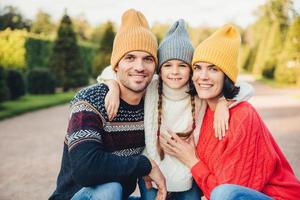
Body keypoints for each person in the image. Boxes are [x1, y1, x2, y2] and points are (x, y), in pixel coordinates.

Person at [100, 20, 254, 199]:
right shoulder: (151, 86)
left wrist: (222, 102)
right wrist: (113, 86)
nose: (174, 72)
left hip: (188, 173)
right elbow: (110, 69)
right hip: (154, 171)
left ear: (191, 70)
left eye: (182, 65)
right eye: (167, 65)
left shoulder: (197, 89)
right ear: (159, 69)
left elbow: (246, 88)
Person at [160, 24, 300, 200]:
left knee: (224, 192)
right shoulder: (203, 110)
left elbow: (227, 193)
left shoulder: (242, 116)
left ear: (226, 76)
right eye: (198, 67)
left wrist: (191, 160)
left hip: (276, 197)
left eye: (213, 69)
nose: (203, 76)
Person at [49, 9, 167, 200]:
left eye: (148, 59)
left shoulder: (152, 104)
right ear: (116, 65)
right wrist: (146, 164)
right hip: (77, 195)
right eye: (130, 58)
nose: (139, 67)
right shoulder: (90, 100)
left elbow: (188, 83)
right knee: (109, 188)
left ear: (155, 67)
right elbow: (86, 169)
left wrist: (222, 102)